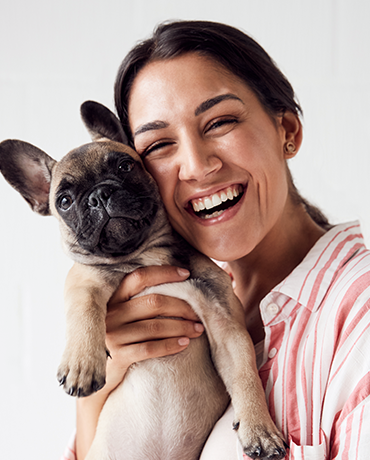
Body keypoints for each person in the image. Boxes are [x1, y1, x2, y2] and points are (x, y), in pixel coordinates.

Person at [61, 20, 370, 460]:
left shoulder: (357, 318)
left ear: (287, 131)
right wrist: (100, 386)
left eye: (220, 122)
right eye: (158, 146)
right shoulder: (165, 300)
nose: (196, 165)